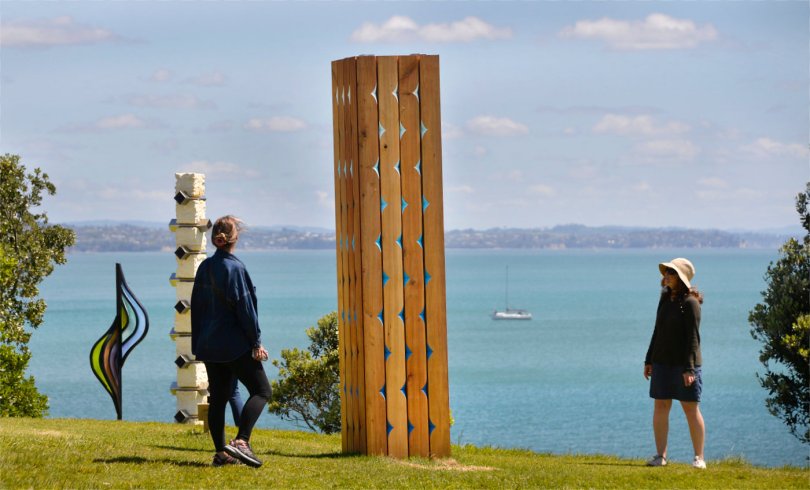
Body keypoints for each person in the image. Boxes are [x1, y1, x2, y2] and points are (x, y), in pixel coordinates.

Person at [191, 215, 271, 468]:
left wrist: (198, 344)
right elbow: (245, 309)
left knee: (219, 397)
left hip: (209, 344)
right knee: (262, 391)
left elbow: (196, 308)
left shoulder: (204, 267)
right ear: (234, 238)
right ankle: (241, 441)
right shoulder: (235, 268)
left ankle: (221, 454)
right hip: (234, 345)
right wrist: (256, 342)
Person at [643, 257, 707, 470]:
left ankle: (699, 458)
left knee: (691, 409)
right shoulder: (665, 299)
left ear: (681, 277)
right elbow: (657, 330)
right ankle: (660, 456)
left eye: (671, 272)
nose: (667, 276)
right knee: (660, 407)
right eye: (667, 272)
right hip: (661, 362)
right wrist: (649, 359)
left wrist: (689, 369)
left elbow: (693, 338)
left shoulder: (691, 303)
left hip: (685, 366)